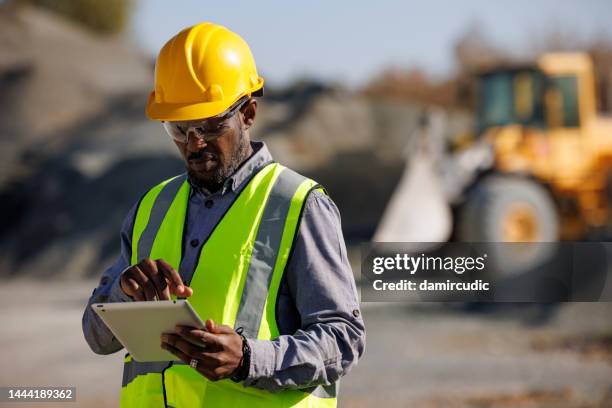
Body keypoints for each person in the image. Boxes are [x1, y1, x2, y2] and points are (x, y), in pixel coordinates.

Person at [82, 22, 365, 407]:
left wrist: (249, 360)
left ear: (247, 113)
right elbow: (96, 338)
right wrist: (123, 294)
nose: (194, 143)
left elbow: (342, 338)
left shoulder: (298, 205)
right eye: (178, 129)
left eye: (210, 125)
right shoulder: (152, 208)